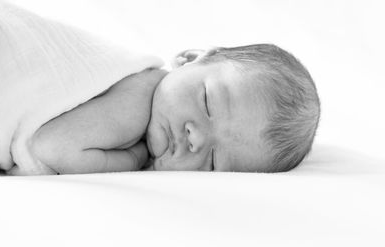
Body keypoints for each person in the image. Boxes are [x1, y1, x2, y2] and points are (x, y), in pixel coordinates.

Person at [32, 44, 320, 174]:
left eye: (213, 161)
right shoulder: (138, 94)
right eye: (208, 102)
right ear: (190, 59)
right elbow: (51, 147)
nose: (197, 139)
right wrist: (132, 161)